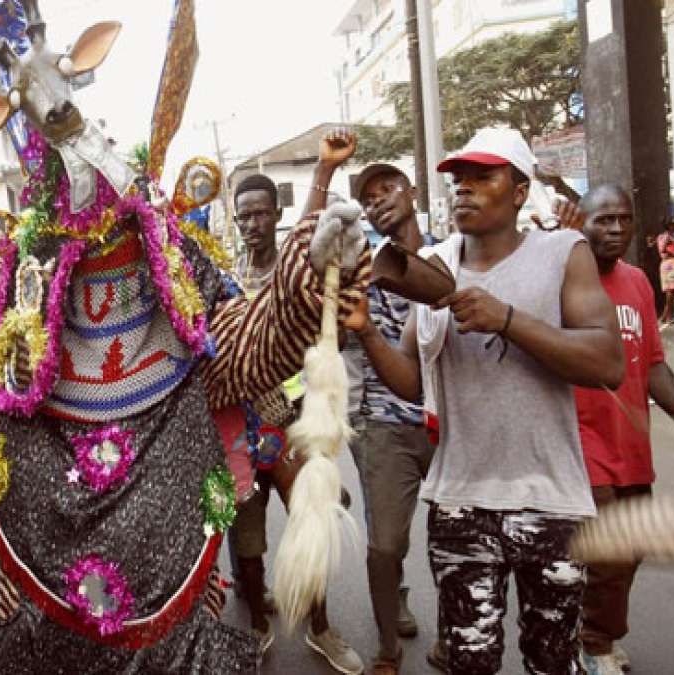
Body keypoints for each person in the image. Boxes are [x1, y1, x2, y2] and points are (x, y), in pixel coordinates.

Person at [352, 128, 623, 674]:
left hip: (551, 500)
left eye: (483, 177)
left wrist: (506, 319)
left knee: (551, 661)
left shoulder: (562, 253)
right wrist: (366, 332)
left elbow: (607, 363)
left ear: (520, 191)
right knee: (469, 663)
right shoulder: (431, 265)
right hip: (459, 501)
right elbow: (411, 383)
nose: (464, 190)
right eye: (458, 180)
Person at [227, 157, 363, 674]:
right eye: (244, 215)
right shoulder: (226, 277)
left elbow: (331, 336)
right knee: (247, 535)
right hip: (241, 425)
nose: (253, 224)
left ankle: (321, 629)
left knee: (311, 525)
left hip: (295, 420)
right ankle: (259, 626)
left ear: (278, 213)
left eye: (261, 213)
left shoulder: (299, 270)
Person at [573, 184, 674, 674]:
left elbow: (655, 364)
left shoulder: (638, 281)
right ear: (582, 223)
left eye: (624, 220)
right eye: (603, 220)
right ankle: (594, 644)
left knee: (629, 550)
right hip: (582, 441)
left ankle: (594, 627)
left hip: (630, 443)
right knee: (614, 548)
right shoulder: (564, 281)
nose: (615, 230)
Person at [339, 161, 438, 675]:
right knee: (385, 544)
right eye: (369, 197)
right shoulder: (359, 265)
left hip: (447, 420)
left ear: (413, 192)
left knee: (454, 544)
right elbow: (334, 339)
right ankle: (387, 649)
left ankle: (456, 632)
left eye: (388, 189)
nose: (379, 201)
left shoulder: (450, 255)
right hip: (381, 420)